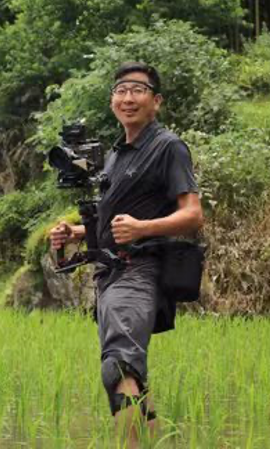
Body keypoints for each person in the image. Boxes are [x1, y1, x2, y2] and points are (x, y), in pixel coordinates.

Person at [50, 62, 204, 443]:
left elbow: (193, 214)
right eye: (121, 90)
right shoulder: (116, 155)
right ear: (111, 100)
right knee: (133, 373)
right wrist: (77, 232)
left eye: (138, 90)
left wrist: (143, 228)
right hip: (110, 275)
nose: (128, 97)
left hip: (139, 271)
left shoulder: (168, 146)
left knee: (118, 369)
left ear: (157, 101)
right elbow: (114, 221)